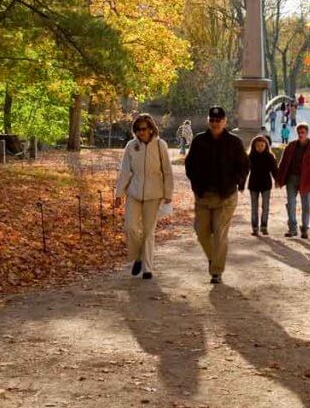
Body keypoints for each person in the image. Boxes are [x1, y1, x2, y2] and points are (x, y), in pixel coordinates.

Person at [185, 106, 249, 285]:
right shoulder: (199, 141)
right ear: (208, 121)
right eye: (212, 120)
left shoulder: (234, 142)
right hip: (203, 195)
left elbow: (244, 165)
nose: (215, 123)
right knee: (201, 231)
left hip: (225, 196)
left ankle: (216, 271)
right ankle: (215, 258)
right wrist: (196, 185)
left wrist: (236, 181)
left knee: (220, 233)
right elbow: (189, 166)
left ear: (225, 121)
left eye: (218, 120)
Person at [115, 113, 174, 280]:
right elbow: (125, 171)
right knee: (130, 227)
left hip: (154, 194)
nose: (140, 133)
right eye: (137, 130)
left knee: (148, 231)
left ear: (150, 129)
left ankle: (147, 268)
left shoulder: (160, 145)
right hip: (134, 192)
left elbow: (167, 171)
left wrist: (168, 193)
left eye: (143, 129)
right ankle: (138, 257)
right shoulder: (131, 146)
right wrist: (119, 193)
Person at [277, 122, 310, 239]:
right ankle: (292, 228)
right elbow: (283, 163)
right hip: (292, 178)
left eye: (303, 133)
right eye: (299, 132)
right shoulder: (291, 146)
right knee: (291, 204)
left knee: (306, 205)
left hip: (306, 179)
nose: (300, 135)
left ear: (307, 133)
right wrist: (279, 179)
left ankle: (305, 229)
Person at [248, 134, 278, 235]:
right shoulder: (250, 157)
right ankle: (255, 227)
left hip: (266, 185)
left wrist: (278, 180)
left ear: (266, 146)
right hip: (253, 185)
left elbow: (274, 170)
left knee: (265, 206)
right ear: (254, 146)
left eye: (262, 145)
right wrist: (241, 183)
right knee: (254, 207)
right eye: (257, 146)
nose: (260, 148)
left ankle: (264, 226)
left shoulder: (269, 157)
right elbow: (244, 171)